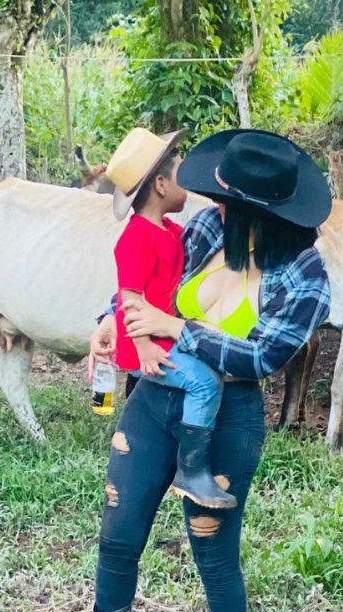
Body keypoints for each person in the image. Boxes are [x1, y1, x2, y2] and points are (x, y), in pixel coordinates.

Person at [73, 129, 334, 612]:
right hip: (153, 402)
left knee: (214, 551)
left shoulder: (305, 274)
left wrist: (177, 328)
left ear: (262, 214)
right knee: (117, 536)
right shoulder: (210, 231)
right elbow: (148, 282)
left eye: (228, 203)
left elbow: (261, 357)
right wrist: (109, 322)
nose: (214, 209)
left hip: (228, 418)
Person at [106, 127, 235, 509]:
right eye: (180, 173)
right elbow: (129, 298)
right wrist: (143, 348)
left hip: (166, 336)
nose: (187, 183)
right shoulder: (137, 239)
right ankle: (191, 470)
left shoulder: (170, 231)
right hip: (147, 346)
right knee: (204, 384)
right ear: (161, 185)